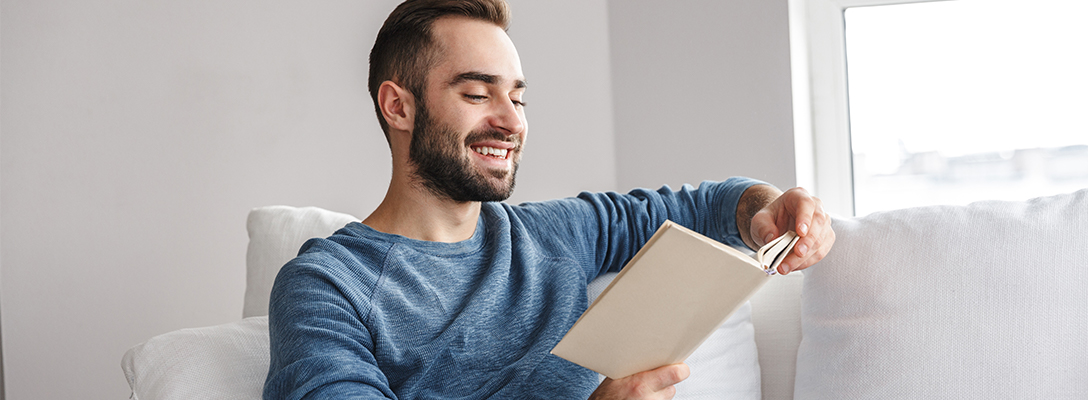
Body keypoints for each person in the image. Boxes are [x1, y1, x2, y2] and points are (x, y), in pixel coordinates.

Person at [263, 0, 835, 399]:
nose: (511, 121)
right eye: (477, 92)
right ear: (399, 107)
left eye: (518, 97)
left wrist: (767, 211)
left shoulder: (551, 235)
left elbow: (709, 204)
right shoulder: (327, 286)